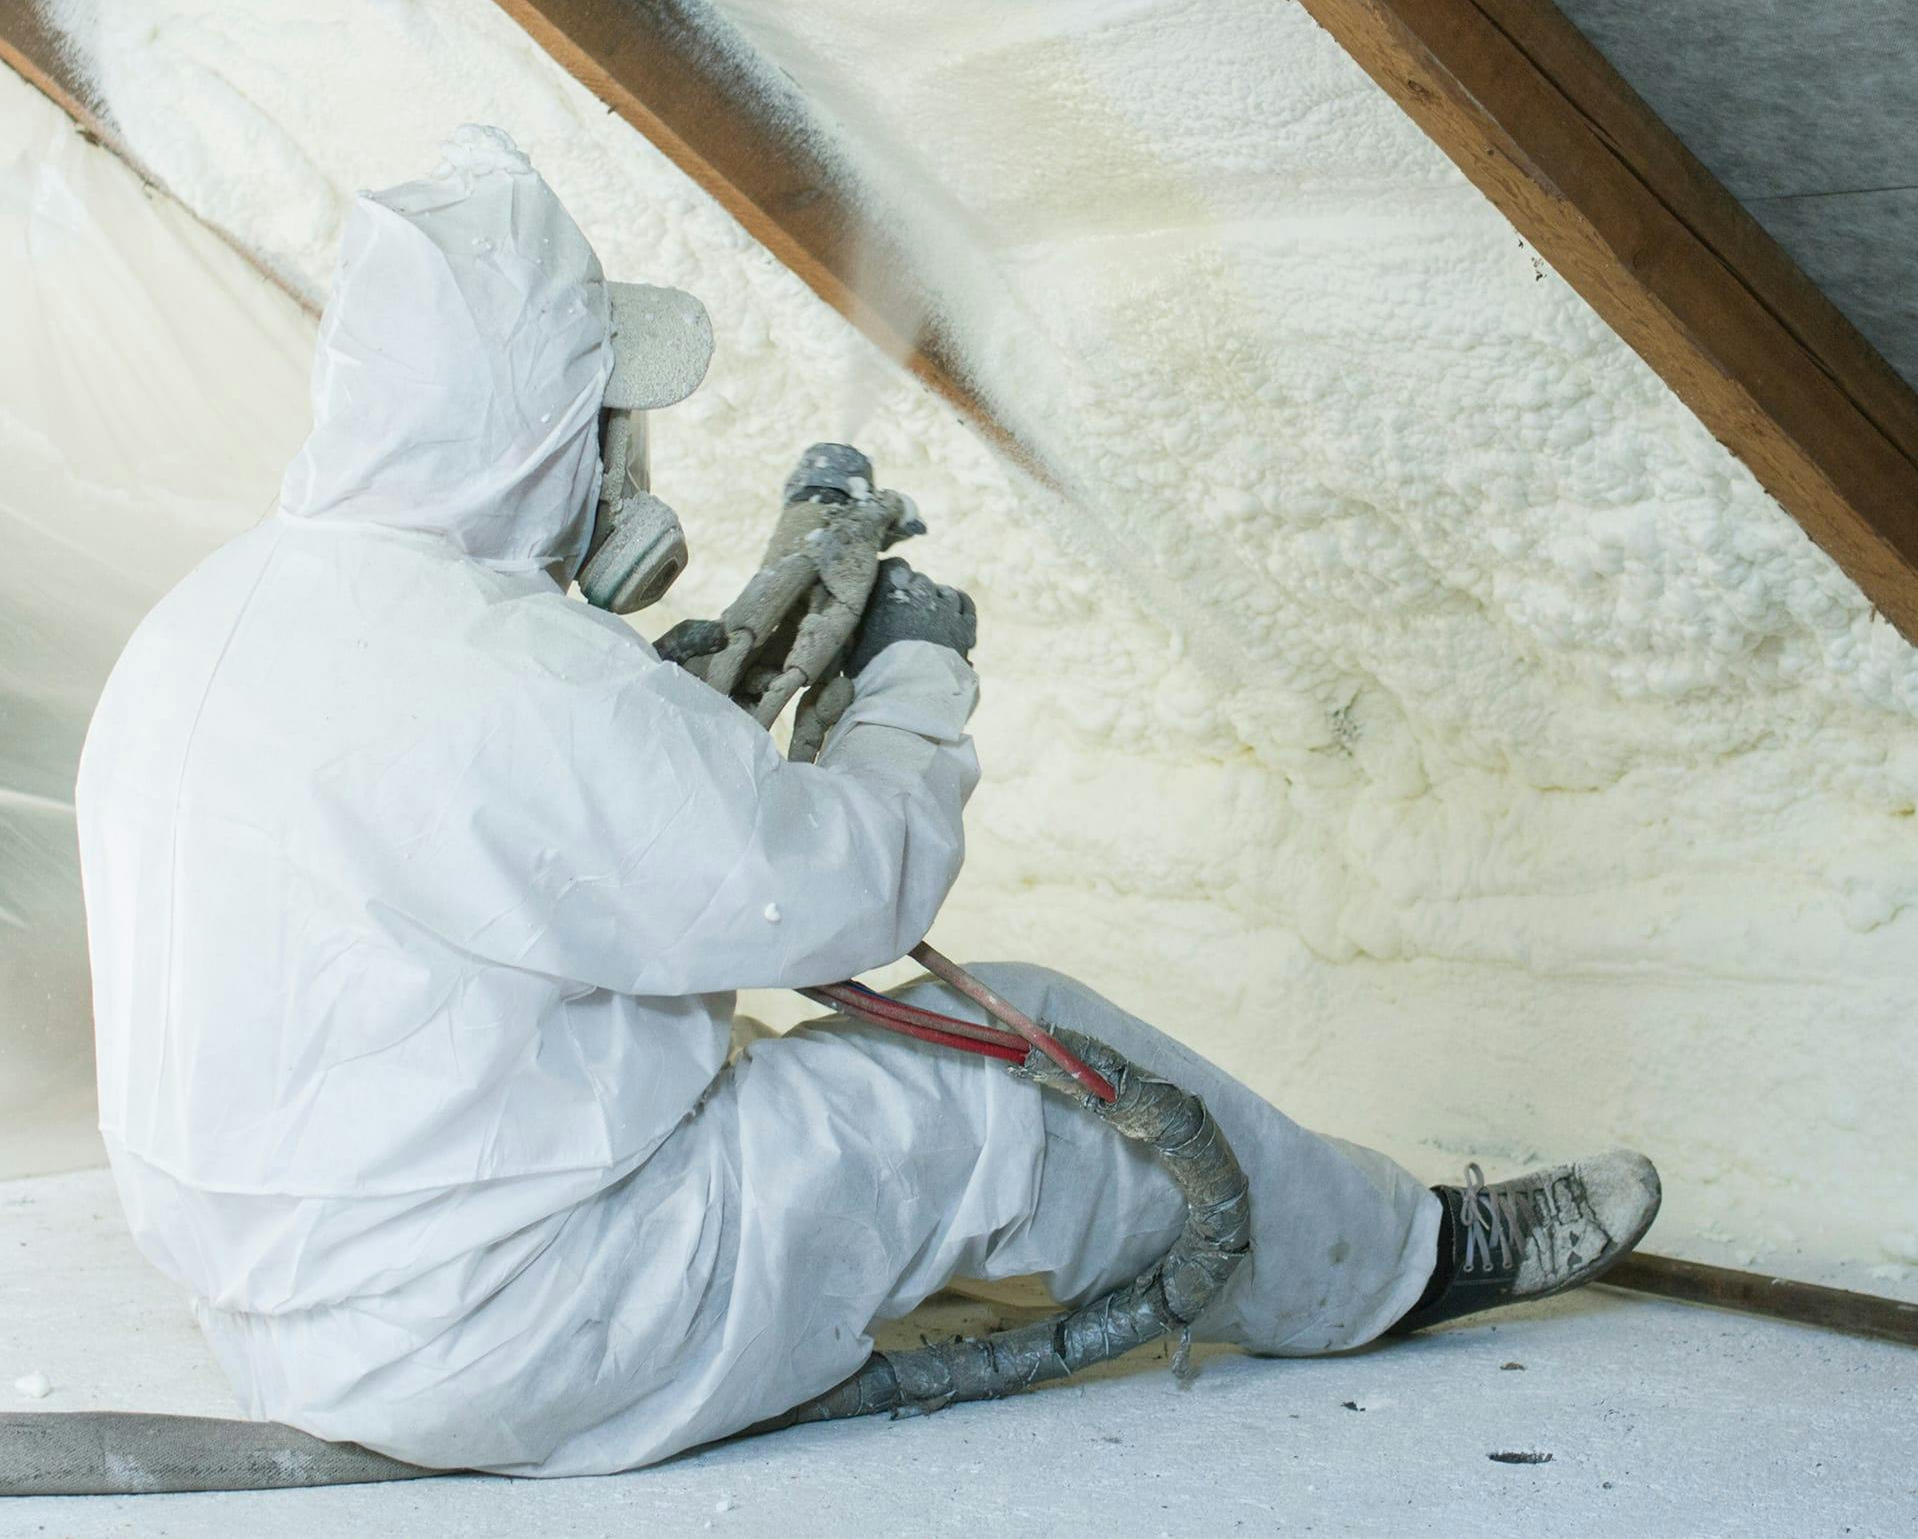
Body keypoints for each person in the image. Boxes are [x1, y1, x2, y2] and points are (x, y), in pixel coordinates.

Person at [75, 128, 1659, 1477]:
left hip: (286, 1318)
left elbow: (484, 854)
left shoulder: (217, 620)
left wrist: (675, 711)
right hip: (521, 1329)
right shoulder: (511, 676)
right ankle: (1401, 1266)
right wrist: (912, 685)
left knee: (792, 1079)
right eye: (605, 415)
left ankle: (1369, 1251)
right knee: (1023, 1056)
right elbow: (839, 900)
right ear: (544, 426)